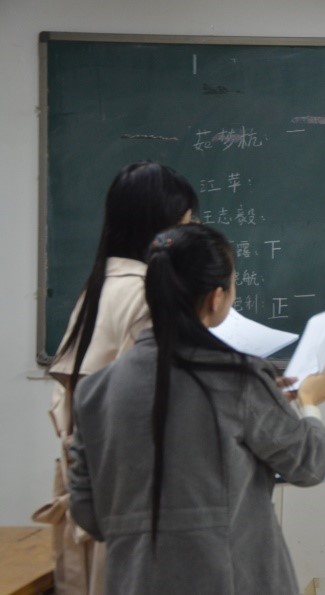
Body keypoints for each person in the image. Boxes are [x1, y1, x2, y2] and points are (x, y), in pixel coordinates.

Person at [67, 223, 325, 594]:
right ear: (216, 297)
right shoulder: (239, 378)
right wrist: (309, 404)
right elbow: (309, 465)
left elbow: (87, 512)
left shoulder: (94, 392)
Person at [32, 161, 198, 595]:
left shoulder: (99, 285)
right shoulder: (148, 293)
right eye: (186, 224)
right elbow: (157, 406)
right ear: (160, 228)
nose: (192, 235)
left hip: (92, 489)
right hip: (129, 497)